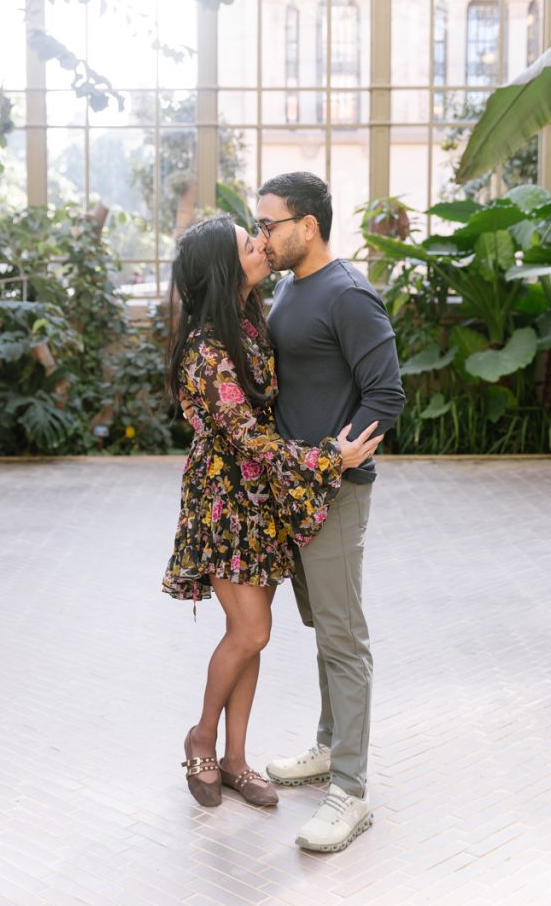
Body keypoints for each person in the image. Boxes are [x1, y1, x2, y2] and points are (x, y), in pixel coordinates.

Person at [161, 214, 383, 811]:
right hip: (225, 502)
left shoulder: (251, 320)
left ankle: (236, 759)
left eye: (258, 235)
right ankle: (202, 736)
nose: (261, 244)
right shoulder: (206, 348)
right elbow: (248, 437)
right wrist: (328, 459)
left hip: (262, 501)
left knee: (250, 637)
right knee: (251, 630)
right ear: (223, 268)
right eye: (248, 243)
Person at [256, 172, 405, 853]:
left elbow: (386, 392)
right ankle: (327, 746)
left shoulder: (347, 294)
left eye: (270, 224)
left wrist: (337, 459)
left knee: (343, 638)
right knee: (323, 628)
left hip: (334, 493)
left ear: (307, 226)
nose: (262, 235)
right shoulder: (291, 287)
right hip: (295, 490)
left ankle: (350, 790)